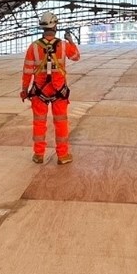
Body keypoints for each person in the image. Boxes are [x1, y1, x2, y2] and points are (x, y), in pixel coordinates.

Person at [21, 11, 80, 164]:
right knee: (61, 123)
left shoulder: (33, 47)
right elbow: (76, 57)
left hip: (39, 91)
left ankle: (38, 154)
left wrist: (24, 90)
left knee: (39, 123)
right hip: (59, 91)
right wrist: (71, 41)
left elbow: (27, 70)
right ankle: (62, 155)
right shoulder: (63, 45)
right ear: (55, 26)